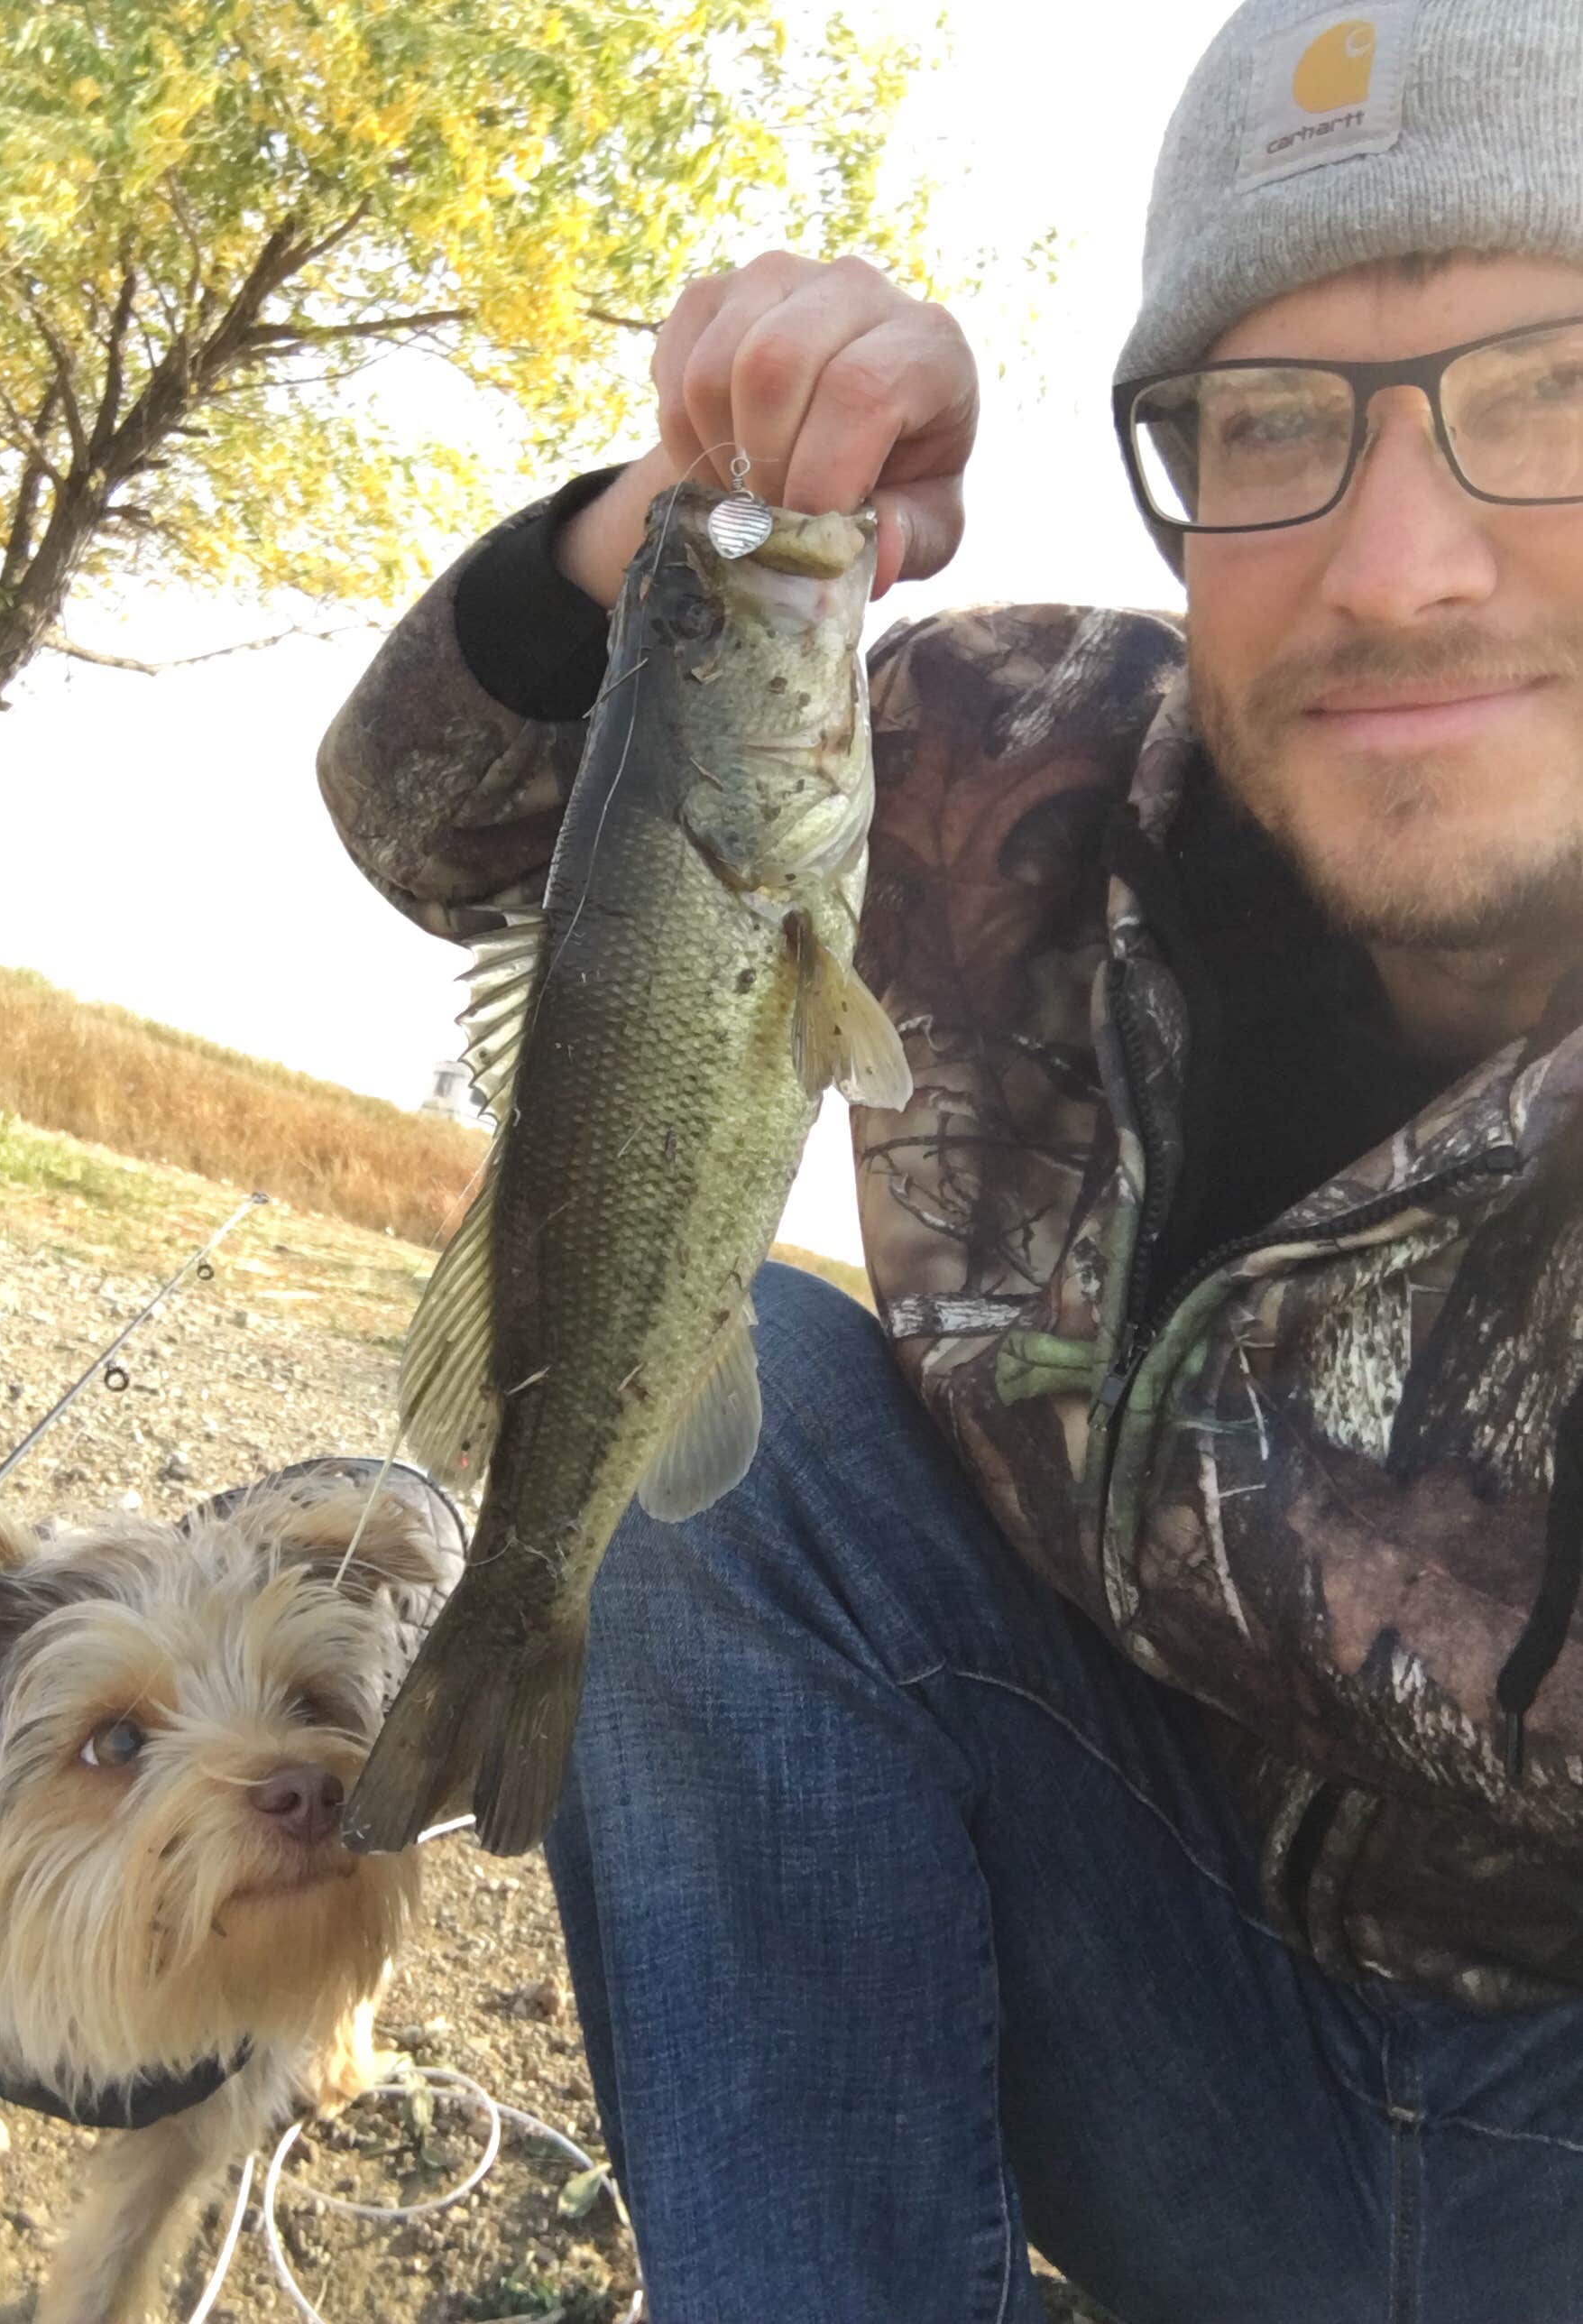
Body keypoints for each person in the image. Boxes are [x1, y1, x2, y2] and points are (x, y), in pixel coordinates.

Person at [318, 2, 1583, 2315]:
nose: (1406, 566)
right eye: (1272, 421)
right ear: (1169, 467)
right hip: (1176, 2031)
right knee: (755, 1438)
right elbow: (427, 816)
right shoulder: (987, 761)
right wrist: (698, 517)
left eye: (1558, 394)